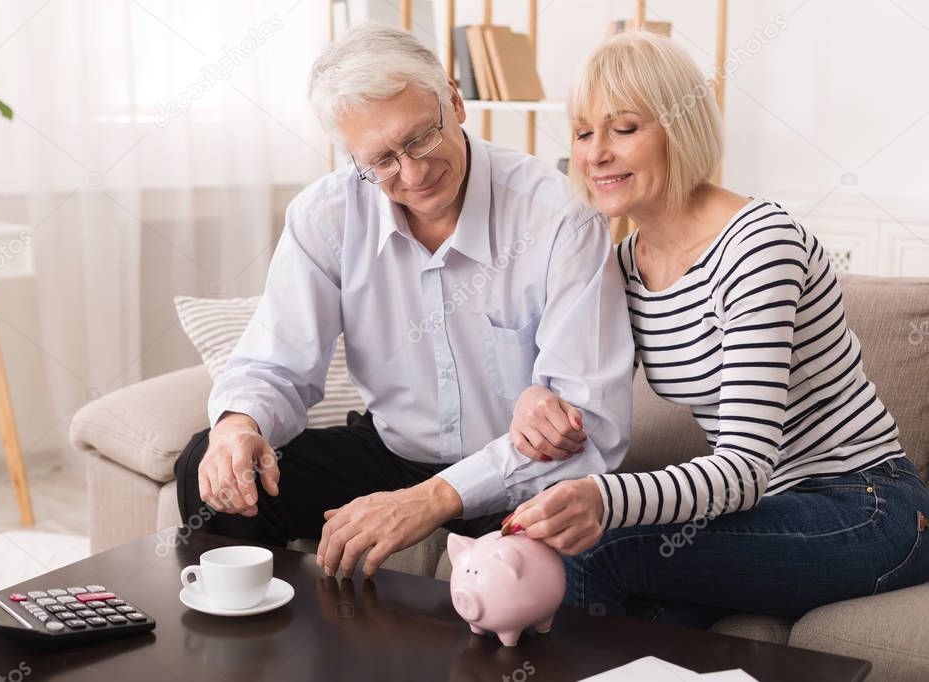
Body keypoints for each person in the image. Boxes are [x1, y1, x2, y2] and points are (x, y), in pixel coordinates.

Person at [173, 23, 635, 578]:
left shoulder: (557, 216)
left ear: (454, 101)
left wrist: (432, 498)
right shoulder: (326, 215)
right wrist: (238, 424)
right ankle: (267, 651)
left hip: (520, 469)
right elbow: (276, 363)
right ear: (351, 155)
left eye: (420, 138)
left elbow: (593, 430)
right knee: (210, 465)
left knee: (529, 570)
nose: (414, 173)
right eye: (383, 160)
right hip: (390, 452)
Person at [505, 30, 929, 629]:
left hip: (868, 507)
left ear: (679, 131)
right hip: (768, 513)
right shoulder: (622, 265)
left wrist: (606, 501)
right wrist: (534, 396)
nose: (596, 152)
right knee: (641, 608)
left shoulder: (759, 244)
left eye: (623, 128)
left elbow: (744, 468)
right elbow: (579, 405)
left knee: (595, 551)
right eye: (582, 133)